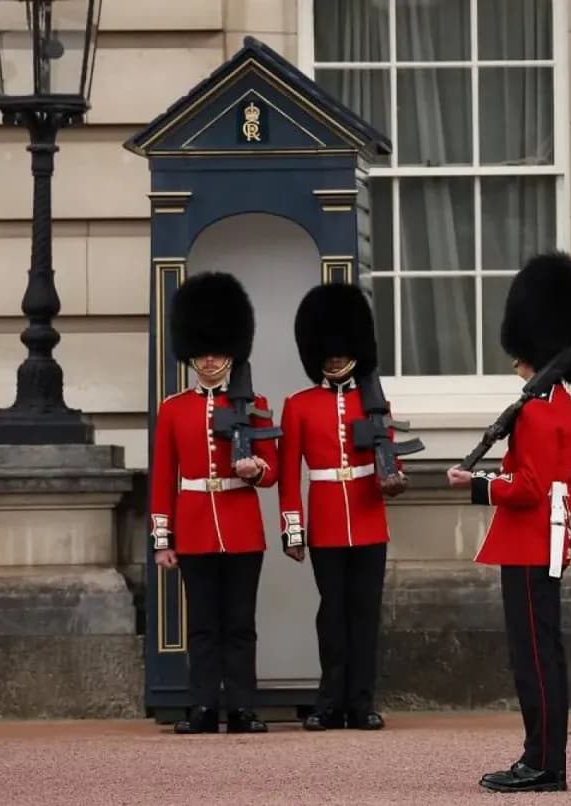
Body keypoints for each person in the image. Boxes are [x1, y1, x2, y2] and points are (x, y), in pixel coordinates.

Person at [446, 252, 571, 794]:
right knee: (542, 656)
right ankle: (541, 756)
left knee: (533, 660)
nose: (515, 362)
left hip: (530, 542)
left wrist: (479, 484)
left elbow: (530, 486)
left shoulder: (536, 409)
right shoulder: (558, 401)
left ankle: (543, 763)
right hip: (548, 538)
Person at [149, 271, 279, 735]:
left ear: (232, 351)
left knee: (241, 625)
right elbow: (164, 476)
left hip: (241, 524)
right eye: (203, 351)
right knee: (203, 626)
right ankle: (202, 707)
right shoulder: (174, 408)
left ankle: (243, 707)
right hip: (196, 526)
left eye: (218, 350)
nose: (209, 359)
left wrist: (255, 470)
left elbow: (273, 468)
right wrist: (163, 538)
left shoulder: (255, 402)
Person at [278, 282, 409, 732]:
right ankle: (330, 700)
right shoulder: (298, 406)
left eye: (341, 350)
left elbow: (389, 457)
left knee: (365, 613)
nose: (334, 358)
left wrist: (394, 478)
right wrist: (293, 529)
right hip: (327, 524)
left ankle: (362, 702)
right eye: (328, 352)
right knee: (332, 613)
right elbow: (290, 475)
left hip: (370, 520)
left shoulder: (373, 402)